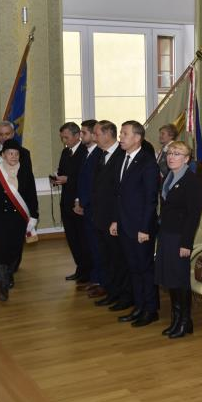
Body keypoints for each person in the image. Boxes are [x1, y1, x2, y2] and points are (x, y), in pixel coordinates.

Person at [111, 121, 160, 327]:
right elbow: (120, 195)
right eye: (121, 133)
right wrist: (115, 220)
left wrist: (144, 229)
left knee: (145, 269)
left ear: (137, 138)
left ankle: (150, 310)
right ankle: (139, 306)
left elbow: (151, 199)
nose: (120, 137)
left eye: (124, 133)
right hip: (124, 224)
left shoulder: (148, 162)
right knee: (133, 268)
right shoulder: (123, 158)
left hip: (140, 228)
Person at [0, 140, 38, 302]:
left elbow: (32, 195)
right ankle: (3, 285)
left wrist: (34, 216)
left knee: (14, 249)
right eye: (10, 153)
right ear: (3, 155)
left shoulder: (25, 171)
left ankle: (8, 274)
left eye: (16, 153)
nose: (14, 156)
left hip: (18, 218)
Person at [153, 140, 202, 339]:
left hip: (179, 237)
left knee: (180, 280)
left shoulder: (191, 180)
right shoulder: (169, 177)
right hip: (166, 233)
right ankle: (176, 319)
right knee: (169, 278)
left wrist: (186, 243)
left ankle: (184, 321)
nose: (171, 157)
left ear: (187, 159)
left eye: (177, 154)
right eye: (170, 153)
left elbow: (193, 215)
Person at [95, 121, 132, 312]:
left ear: (108, 134)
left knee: (119, 260)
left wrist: (115, 219)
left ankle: (124, 296)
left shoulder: (121, 155)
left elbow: (120, 192)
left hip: (115, 219)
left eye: (97, 134)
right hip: (102, 218)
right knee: (108, 259)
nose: (95, 137)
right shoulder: (103, 155)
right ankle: (112, 292)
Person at [55, 122, 88, 282]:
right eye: (62, 138)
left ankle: (86, 271)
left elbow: (84, 178)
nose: (64, 140)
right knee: (72, 239)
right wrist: (58, 178)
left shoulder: (85, 152)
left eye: (66, 137)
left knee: (82, 239)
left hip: (79, 202)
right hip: (66, 201)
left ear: (77, 136)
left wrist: (68, 179)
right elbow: (61, 171)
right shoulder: (65, 152)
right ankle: (79, 268)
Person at [74, 120, 103, 295]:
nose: (81, 136)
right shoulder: (86, 153)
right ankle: (94, 277)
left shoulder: (99, 154)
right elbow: (82, 180)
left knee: (98, 247)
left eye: (83, 133)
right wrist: (79, 201)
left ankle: (101, 280)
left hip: (95, 208)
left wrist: (86, 203)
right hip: (87, 206)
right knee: (91, 245)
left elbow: (95, 184)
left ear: (93, 135)